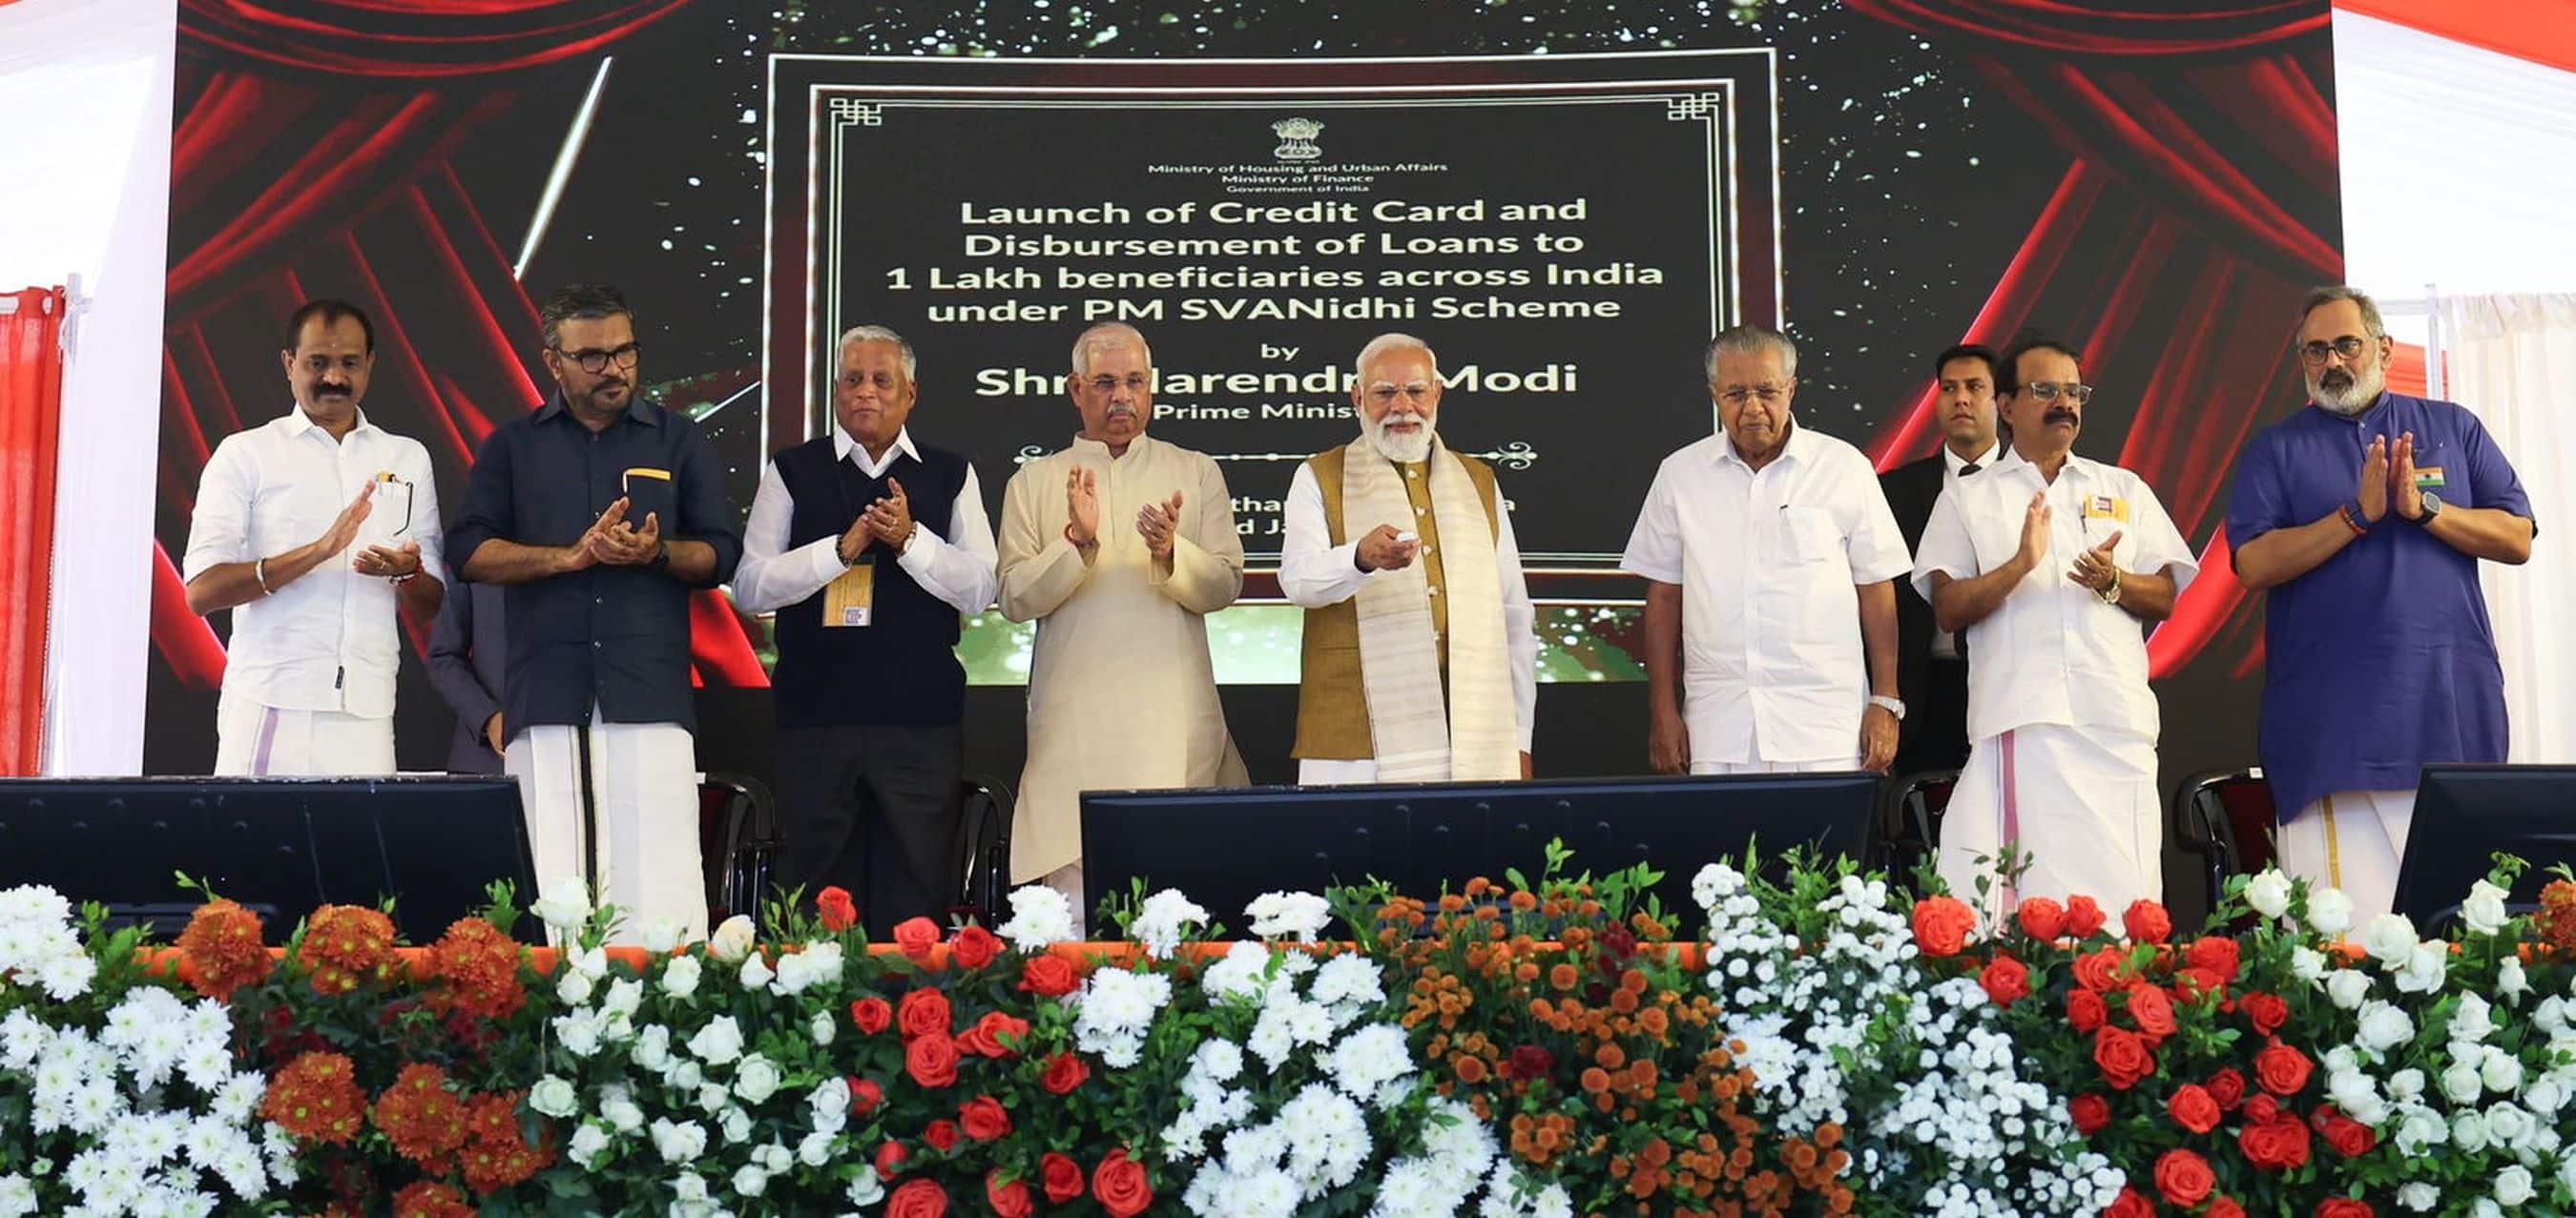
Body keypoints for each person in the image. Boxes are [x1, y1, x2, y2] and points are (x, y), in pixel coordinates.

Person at [2226, 285, 2536, 925]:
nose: (2332, 361)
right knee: (2346, 953)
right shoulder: (2276, 450)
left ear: (2383, 348)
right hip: (2331, 733)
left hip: (2447, 713)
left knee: (2460, 941)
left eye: (2346, 344)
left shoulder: (2453, 427)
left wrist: (2427, 510)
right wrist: (2353, 516)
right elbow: (2252, 562)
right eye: (2316, 350)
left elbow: (2517, 536)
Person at [445, 284, 741, 939]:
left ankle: (667, 1027)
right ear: (553, 362)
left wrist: (655, 553)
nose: (615, 370)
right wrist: (566, 559)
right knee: (553, 886)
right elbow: (467, 551)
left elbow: (722, 555)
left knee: (661, 884)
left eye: (625, 352)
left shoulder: (677, 439)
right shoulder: (511, 447)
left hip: (649, 688)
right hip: (547, 692)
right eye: (593, 357)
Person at [1913, 336, 2197, 917]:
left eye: (2074, 391)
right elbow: (1947, 606)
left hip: (2116, 720)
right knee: (2031, 903)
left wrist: (2114, 581)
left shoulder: (2122, 488)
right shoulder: (1969, 497)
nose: (2064, 403)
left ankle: (2118, 999)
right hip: (2026, 719)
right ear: (2008, 406)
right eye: (2046, 391)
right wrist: (2019, 565)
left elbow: (2165, 594)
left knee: (2126, 894)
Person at [732, 324, 997, 939]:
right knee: (815, 894)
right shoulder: (791, 471)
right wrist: (841, 549)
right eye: (852, 380)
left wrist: (908, 540)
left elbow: (982, 589)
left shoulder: (950, 474)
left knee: (917, 885)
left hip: (920, 722)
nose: (865, 393)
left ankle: (910, 1023)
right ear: (835, 392)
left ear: (910, 393)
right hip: (814, 720)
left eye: (882, 381)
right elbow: (750, 588)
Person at [997, 323, 1248, 918]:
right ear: (1075, 389)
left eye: (1135, 382)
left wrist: (1171, 552)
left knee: (1182, 913)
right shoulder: (1033, 480)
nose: (1122, 397)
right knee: (1075, 925)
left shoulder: (1196, 471)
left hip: (1173, 718)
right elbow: (1012, 598)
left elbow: (1224, 586)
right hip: (1073, 725)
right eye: (1105, 382)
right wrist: (1076, 545)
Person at [1623, 326, 1911, 774]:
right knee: (1723, 846)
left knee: (1827, 847)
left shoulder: (1844, 468)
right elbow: (1664, 597)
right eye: (1735, 393)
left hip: (1826, 724)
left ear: (1791, 389)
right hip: (1720, 726)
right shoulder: (1680, 475)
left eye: (1767, 391)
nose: (1753, 408)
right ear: (1714, 395)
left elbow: (1876, 588)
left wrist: (1885, 699)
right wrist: (1663, 712)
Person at [182, 299, 446, 775]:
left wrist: (407, 573)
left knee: (358, 850)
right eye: (317, 363)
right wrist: (319, 551)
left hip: (367, 708)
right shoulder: (246, 454)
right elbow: (201, 592)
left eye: (348, 363)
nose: (333, 378)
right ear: (289, 364)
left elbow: (432, 603)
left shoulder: (406, 457)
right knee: (252, 849)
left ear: (370, 364)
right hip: (271, 701)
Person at [1280, 333, 1536, 784]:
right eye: (1384, 393)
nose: (1402, 406)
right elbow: (1298, 582)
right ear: (1358, 397)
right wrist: (1358, 558)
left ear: (1436, 394)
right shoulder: (1317, 475)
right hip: (1354, 740)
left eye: (1416, 391)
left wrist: (1520, 736)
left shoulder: (1478, 480)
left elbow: (1513, 614)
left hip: (1473, 729)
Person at [1880, 342, 2005, 776]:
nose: (1961, 399)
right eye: (1948, 388)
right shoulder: (1893, 492)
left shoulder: (2033, 484)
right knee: (1923, 831)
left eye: (1975, 387)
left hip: (2006, 682)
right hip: (1922, 684)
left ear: (2001, 401)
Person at [425, 581, 507, 775]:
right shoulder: (474, 560)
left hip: (575, 754)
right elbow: (443, 657)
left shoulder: (582, 557)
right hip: (485, 764)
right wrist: (487, 718)